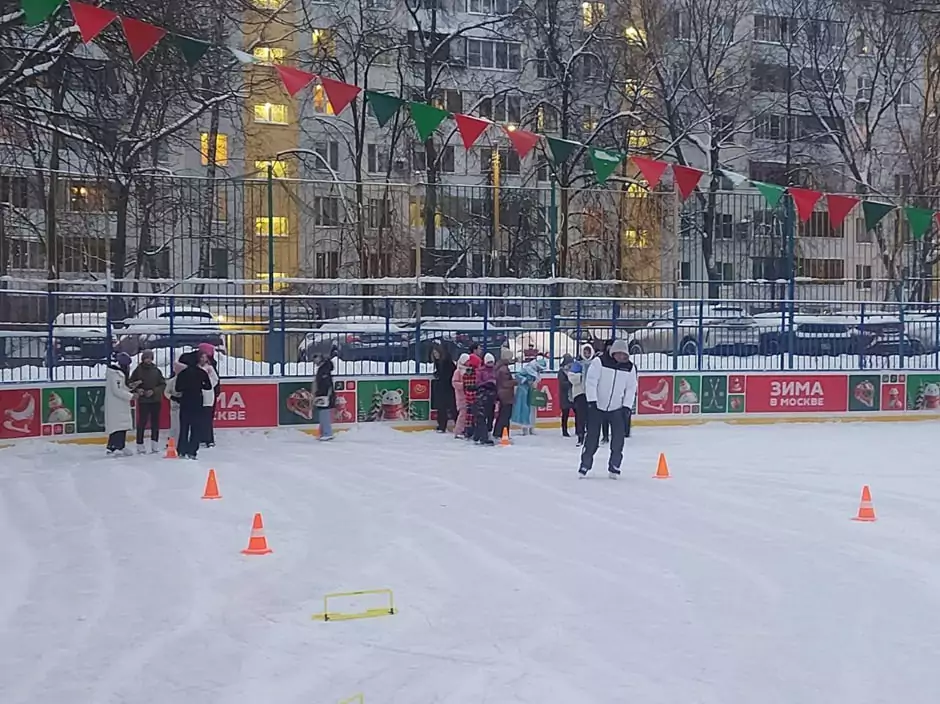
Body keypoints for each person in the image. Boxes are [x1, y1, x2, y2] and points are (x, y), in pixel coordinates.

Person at [578, 339, 638, 479]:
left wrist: (627, 406)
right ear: (613, 352)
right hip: (597, 407)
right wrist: (591, 401)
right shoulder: (600, 362)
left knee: (618, 439)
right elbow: (591, 381)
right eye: (619, 354)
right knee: (592, 437)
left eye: (624, 355)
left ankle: (615, 466)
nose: (621, 357)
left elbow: (631, 388)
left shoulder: (630, 367)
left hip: (617, 409)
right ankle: (585, 465)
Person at [174, 350, 212, 459]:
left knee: (184, 427)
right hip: (197, 402)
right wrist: (200, 384)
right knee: (196, 428)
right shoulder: (201, 373)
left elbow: (178, 388)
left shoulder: (183, 374)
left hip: (185, 401)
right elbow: (208, 387)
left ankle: (182, 450)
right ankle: (192, 451)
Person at [129, 349, 166, 454]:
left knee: (155, 422)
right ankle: (139, 444)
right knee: (142, 422)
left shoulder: (156, 370)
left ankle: (155, 443)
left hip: (155, 400)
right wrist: (138, 390)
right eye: (146, 358)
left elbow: (162, 384)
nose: (148, 360)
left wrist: (154, 391)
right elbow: (131, 383)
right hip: (144, 401)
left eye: (150, 358)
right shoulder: (138, 370)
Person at [105, 352, 136, 456]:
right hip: (116, 404)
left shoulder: (119, 373)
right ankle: (116, 446)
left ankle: (116, 446)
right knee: (118, 426)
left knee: (121, 426)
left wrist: (130, 388)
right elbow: (116, 390)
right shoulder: (115, 374)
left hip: (121, 403)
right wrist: (131, 396)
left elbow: (122, 387)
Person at [511, 356, 546, 435]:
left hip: (532, 392)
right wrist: (526, 381)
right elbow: (517, 376)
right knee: (524, 409)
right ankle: (525, 428)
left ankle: (531, 427)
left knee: (532, 410)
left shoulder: (536, 372)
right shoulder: (527, 369)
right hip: (524, 392)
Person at [568, 343, 594, 447]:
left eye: (588, 352)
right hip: (580, 394)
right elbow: (571, 377)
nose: (587, 354)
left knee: (591, 417)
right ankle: (580, 437)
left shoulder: (595, 363)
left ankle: (591, 438)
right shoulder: (577, 364)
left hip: (592, 394)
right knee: (580, 417)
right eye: (585, 352)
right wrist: (582, 376)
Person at [431, 344, 457, 433]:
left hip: (448, 388)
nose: (435, 355)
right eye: (434, 353)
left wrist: (440, 376)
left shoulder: (447, 362)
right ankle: (442, 426)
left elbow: (449, 374)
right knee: (441, 408)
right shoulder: (439, 362)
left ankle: (457, 425)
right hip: (443, 388)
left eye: (436, 353)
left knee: (452, 408)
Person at [473, 353, 497, 445]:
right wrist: (487, 384)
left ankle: (478, 435)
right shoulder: (480, 371)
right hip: (482, 396)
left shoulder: (495, 370)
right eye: (489, 362)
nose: (491, 363)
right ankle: (482, 437)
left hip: (491, 397)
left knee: (489, 416)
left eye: (492, 362)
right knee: (481, 416)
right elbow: (478, 383)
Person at [492, 347, 516, 441]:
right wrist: (516, 381)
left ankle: (497, 432)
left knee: (502, 414)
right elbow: (505, 383)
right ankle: (503, 433)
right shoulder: (504, 369)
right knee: (506, 415)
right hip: (506, 395)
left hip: (502, 394)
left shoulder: (499, 367)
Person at [314, 356, 336, 441]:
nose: (315, 362)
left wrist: (325, 395)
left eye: (316, 359)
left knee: (324, 414)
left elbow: (326, 384)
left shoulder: (324, 369)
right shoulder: (323, 369)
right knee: (323, 414)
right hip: (322, 395)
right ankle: (324, 432)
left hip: (325, 395)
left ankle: (327, 433)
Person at [164, 361, 185, 445]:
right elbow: (166, 392)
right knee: (174, 425)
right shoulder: (171, 381)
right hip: (174, 406)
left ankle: (182, 441)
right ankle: (172, 442)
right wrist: (172, 397)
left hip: (184, 406)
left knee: (184, 425)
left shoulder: (186, 380)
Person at [462, 353, 481, 439]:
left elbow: (464, 386)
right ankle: (473, 431)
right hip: (475, 396)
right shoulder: (476, 373)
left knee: (469, 414)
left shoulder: (466, 373)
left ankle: (468, 430)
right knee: (475, 414)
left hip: (468, 396)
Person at [452, 353, 470, 439]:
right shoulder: (458, 371)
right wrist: (464, 385)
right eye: (467, 361)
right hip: (461, 396)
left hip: (468, 395)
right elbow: (454, 383)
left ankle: (465, 430)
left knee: (467, 414)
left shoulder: (469, 370)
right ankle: (458, 431)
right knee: (462, 414)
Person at [558, 353, 574, 437]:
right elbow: (562, 383)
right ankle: (564, 430)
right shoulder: (561, 371)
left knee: (578, 413)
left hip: (574, 395)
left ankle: (579, 429)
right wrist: (571, 383)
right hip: (565, 396)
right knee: (565, 414)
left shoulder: (573, 370)